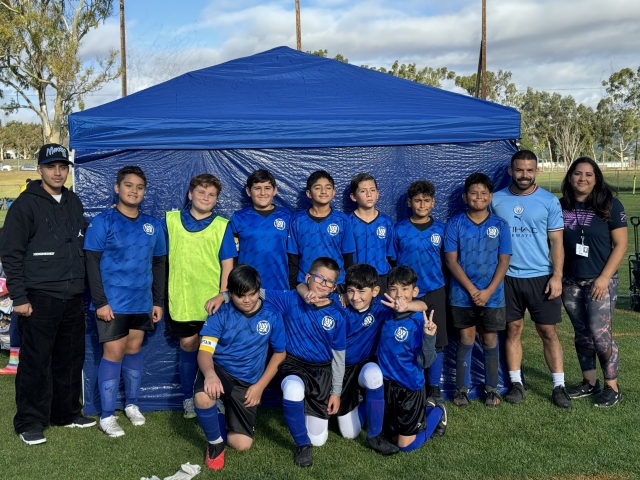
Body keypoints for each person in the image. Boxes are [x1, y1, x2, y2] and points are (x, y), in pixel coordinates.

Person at [205, 256, 346, 467]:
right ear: (308, 277)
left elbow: (339, 356)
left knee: (319, 439)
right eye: (319, 278)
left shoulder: (338, 314)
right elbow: (253, 292)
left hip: (321, 372)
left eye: (329, 281)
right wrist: (222, 296)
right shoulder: (290, 299)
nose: (323, 284)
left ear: (334, 287)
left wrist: (335, 391)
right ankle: (302, 445)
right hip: (294, 365)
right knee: (292, 389)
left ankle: (308, 423)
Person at [0, 143, 94, 445]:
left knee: (69, 358)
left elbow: (79, 240)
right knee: (35, 361)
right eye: (51, 166)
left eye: (63, 166)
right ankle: (29, 421)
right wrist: (19, 296)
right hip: (38, 296)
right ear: (39, 169)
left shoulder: (73, 201)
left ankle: (65, 413)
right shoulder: (25, 205)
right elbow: (11, 253)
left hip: (72, 295)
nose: (58, 172)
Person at [296, 263, 429, 455]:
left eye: (361, 291)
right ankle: (359, 407)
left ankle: (374, 436)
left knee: (374, 374)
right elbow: (301, 286)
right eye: (350, 291)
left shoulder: (381, 308)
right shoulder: (337, 302)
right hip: (329, 370)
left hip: (358, 370)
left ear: (375, 291)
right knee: (319, 440)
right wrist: (305, 293)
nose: (355, 297)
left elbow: (422, 305)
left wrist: (407, 305)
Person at [84, 165, 167, 437]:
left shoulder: (153, 225)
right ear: (117, 188)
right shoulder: (103, 221)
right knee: (114, 354)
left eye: (139, 187)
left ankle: (132, 404)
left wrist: (157, 301)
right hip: (112, 304)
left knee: (133, 351)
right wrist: (101, 301)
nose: (134, 191)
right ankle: (107, 416)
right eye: (128, 185)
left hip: (141, 303)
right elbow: (92, 263)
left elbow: (159, 265)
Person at [490, 150, 571, 408]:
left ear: (536, 171)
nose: (524, 175)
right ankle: (516, 384)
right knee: (513, 329)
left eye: (529, 170)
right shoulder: (496, 200)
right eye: (519, 170)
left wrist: (557, 276)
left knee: (548, 331)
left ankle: (559, 386)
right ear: (510, 171)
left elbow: (557, 241)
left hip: (541, 277)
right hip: (508, 278)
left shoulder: (549, 201)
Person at [195, 265, 286, 470]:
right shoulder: (221, 311)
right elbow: (204, 351)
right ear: (230, 294)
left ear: (258, 291)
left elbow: (280, 353)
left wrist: (260, 386)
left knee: (241, 444)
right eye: (240, 295)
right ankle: (215, 444)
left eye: (252, 294)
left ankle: (222, 413)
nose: (247, 300)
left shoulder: (272, 314)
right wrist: (209, 375)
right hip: (220, 371)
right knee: (203, 397)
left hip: (248, 381)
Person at [164, 174, 237, 419]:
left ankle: (212, 397)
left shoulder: (222, 225)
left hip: (212, 302)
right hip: (183, 299)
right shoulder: (170, 221)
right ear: (190, 194)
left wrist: (223, 295)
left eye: (211, 194)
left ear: (216, 199)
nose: (205, 197)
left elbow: (228, 266)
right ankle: (188, 398)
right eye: (201, 192)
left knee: (211, 350)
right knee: (188, 345)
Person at [559, 157, 627, 407]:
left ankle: (612, 386)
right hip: (571, 280)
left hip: (600, 280)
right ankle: (590, 382)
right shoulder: (561, 206)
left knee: (600, 335)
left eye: (589, 174)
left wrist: (604, 278)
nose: (582, 179)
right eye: (577, 174)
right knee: (582, 334)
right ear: (570, 177)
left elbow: (621, 245)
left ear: (596, 178)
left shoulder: (610, 204)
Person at [444, 173, 511, 407]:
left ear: (491, 197)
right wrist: (473, 290)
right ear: (465, 196)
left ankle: (492, 389)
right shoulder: (455, 224)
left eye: (484, 193)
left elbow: (504, 262)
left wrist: (488, 291)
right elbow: (452, 261)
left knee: (490, 339)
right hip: (462, 294)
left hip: (493, 295)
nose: (479, 197)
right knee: (466, 338)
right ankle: (462, 389)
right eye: (474, 193)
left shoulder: (500, 225)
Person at [391, 179, 448, 406]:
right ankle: (410, 382)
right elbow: (393, 261)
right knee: (406, 338)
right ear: (409, 202)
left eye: (426, 200)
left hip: (434, 290)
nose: (422, 204)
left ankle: (433, 387)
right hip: (406, 295)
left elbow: (448, 261)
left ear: (433, 203)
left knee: (437, 340)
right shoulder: (400, 230)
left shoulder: (441, 230)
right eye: (417, 200)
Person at [377, 266, 445, 452]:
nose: (399, 295)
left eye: (405, 289)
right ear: (387, 290)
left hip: (410, 389)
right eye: (394, 289)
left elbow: (426, 361)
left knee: (405, 447)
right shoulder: (385, 313)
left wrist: (430, 337)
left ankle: (437, 412)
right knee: (390, 438)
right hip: (387, 387)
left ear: (414, 291)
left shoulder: (419, 322)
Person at [288, 170, 356, 290]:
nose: (323, 191)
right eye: (318, 188)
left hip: (336, 284)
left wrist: (348, 288)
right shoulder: (297, 220)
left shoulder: (343, 220)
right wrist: (294, 286)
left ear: (334, 192)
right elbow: (293, 258)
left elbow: (348, 257)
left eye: (328, 187)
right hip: (305, 283)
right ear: (309, 193)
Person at [230, 169, 291, 290]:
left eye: (267, 188)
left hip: (279, 286)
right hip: (246, 288)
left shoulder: (287, 216)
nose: (262, 192)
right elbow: (231, 257)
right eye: (257, 188)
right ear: (248, 191)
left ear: (275, 190)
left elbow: (294, 255)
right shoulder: (238, 217)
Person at [348, 173, 394, 294]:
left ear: (377, 194)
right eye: (363, 191)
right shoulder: (347, 222)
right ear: (353, 196)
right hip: (356, 279)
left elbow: (391, 255)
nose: (369, 194)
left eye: (372, 190)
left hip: (381, 277)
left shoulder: (386, 222)